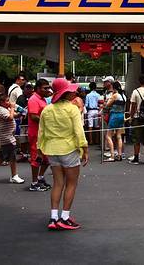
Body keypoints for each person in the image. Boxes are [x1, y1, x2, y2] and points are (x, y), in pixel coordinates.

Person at [37, 78, 89, 230]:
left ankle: (53, 217)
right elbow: (79, 132)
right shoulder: (72, 109)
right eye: (71, 90)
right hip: (69, 149)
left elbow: (41, 132)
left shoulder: (47, 109)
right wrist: (85, 149)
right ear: (66, 93)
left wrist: (40, 149)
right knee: (71, 183)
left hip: (52, 151)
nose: (74, 92)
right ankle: (65, 217)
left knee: (57, 183)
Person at [27, 79, 52, 191]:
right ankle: (34, 183)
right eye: (45, 88)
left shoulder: (43, 99)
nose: (47, 90)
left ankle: (40, 177)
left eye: (48, 87)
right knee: (37, 158)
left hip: (44, 133)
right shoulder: (33, 99)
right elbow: (33, 116)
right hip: (36, 133)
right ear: (38, 88)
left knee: (46, 158)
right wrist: (48, 122)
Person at [104, 81, 127, 162]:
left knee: (108, 136)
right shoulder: (123, 96)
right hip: (121, 115)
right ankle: (120, 154)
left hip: (114, 116)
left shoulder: (115, 95)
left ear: (113, 88)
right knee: (119, 136)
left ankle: (112, 155)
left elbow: (107, 105)